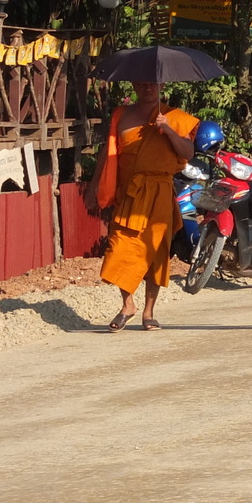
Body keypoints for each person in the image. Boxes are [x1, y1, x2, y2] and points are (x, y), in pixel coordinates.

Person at [92, 80, 199, 331]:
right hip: (130, 192)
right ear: (133, 85)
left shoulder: (174, 116)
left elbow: (189, 153)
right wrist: (96, 185)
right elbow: (108, 153)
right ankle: (127, 304)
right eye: (142, 83)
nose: (147, 87)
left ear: (161, 84)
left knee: (156, 252)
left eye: (152, 83)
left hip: (159, 192)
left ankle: (149, 312)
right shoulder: (122, 115)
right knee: (119, 246)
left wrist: (169, 130)